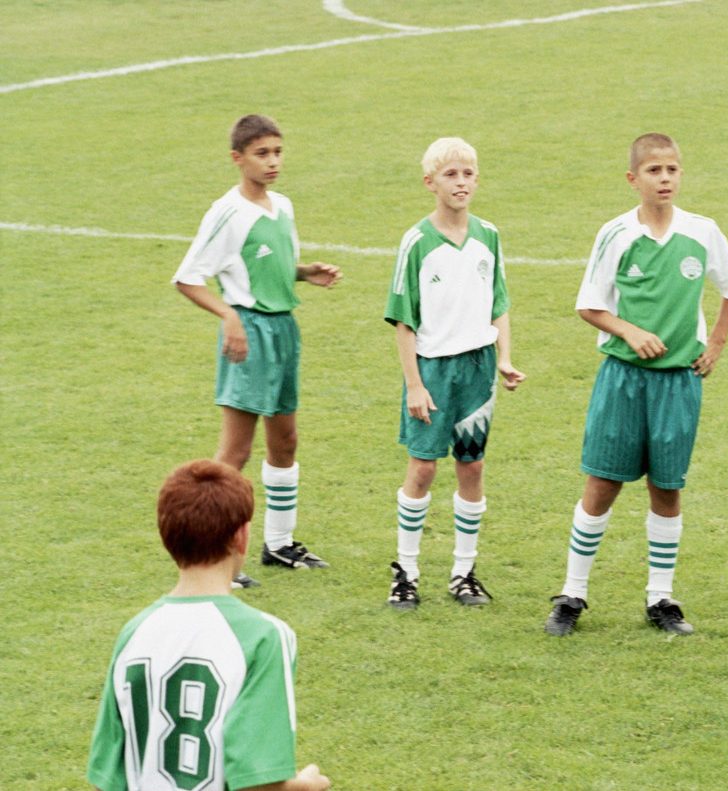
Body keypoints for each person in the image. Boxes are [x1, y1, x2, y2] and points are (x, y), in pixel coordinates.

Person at [544, 133, 728, 637]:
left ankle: (661, 598)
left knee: (667, 488)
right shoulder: (615, 234)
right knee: (602, 484)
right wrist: (630, 332)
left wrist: (716, 344)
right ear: (634, 179)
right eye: (654, 171)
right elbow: (589, 304)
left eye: (672, 170)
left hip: (679, 382)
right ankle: (573, 593)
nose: (665, 180)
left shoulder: (702, 232)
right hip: (622, 379)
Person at [87, 460, 330, 791]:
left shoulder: (134, 632)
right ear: (241, 537)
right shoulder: (264, 637)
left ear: (167, 537)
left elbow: (109, 777)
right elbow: (259, 783)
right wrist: (305, 785)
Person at [172, 114, 342, 588]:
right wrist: (229, 318)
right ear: (237, 158)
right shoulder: (226, 212)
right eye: (262, 154)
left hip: (284, 329)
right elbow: (188, 278)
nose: (273, 162)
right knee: (236, 451)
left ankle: (280, 545)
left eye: (278, 152)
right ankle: (212, 551)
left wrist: (305, 272)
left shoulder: (281, 206)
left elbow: (269, 265)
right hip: (248, 335)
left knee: (285, 442)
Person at [383, 137, 525, 610]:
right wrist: (415, 385)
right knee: (423, 468)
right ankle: (406, 570)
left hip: (478, 369)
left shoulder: (489, 237)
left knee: (472, 465)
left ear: (477, 179)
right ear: (431, 183)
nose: (461, 182)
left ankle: (464, 571)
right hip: (434, 371)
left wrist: (504, 357)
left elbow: (498, 304)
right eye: (450, 175)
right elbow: (404, 321)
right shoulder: (418, 242)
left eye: (467, 174)